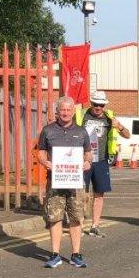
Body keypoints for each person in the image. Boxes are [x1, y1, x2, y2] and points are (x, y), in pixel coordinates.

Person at [37, 96, 92, 268]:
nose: (66, 113)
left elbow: (88, 153)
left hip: (76, 182)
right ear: (57, 112)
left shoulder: (82, 132)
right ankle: (55, 255)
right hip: (55, 181)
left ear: (73, 112)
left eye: (69, 110)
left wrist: (87, 162)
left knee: (76, 217)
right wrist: (45, 162)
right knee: (55, 217)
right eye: (63, 110)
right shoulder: (48, 131)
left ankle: (76, 254)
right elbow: (41, 153)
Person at [81, 91, 130, 237]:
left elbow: (128, 135)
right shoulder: (81, 115)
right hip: (83, 160)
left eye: (101, 105)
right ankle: (80, 225)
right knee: (82, 194)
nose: (98, 108)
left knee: (99, 194)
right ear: (91, 103)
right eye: (95, 104)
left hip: (101, 160)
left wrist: (119, 126)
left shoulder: (109, 117)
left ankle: (95, 225)